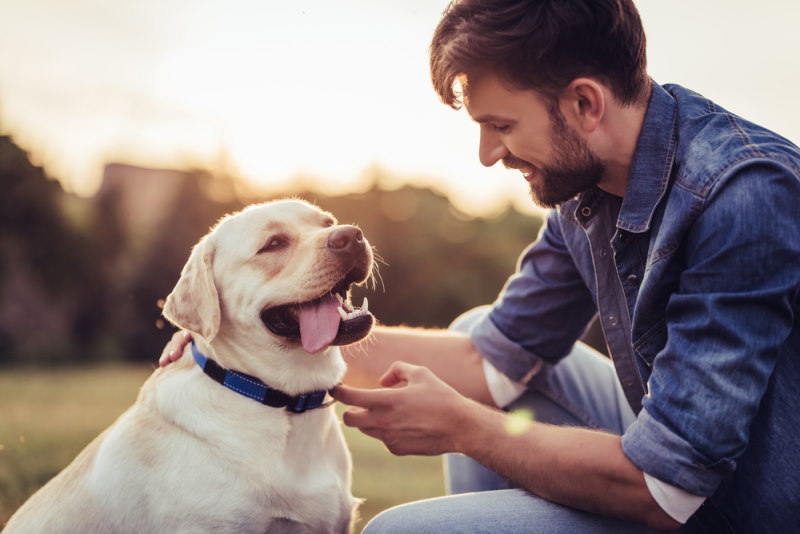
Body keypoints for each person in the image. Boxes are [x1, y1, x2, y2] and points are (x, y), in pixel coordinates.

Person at [161, 0, 800, 531]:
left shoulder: (743, 196)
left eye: (501, 124)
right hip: (688, 451)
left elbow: (669, 485)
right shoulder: (585, 189)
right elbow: (491, 361)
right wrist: (245, 337)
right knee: (476, 330)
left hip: (745, 502)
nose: (487, 153)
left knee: (398, 532)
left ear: (584, 104)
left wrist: (465, 428)